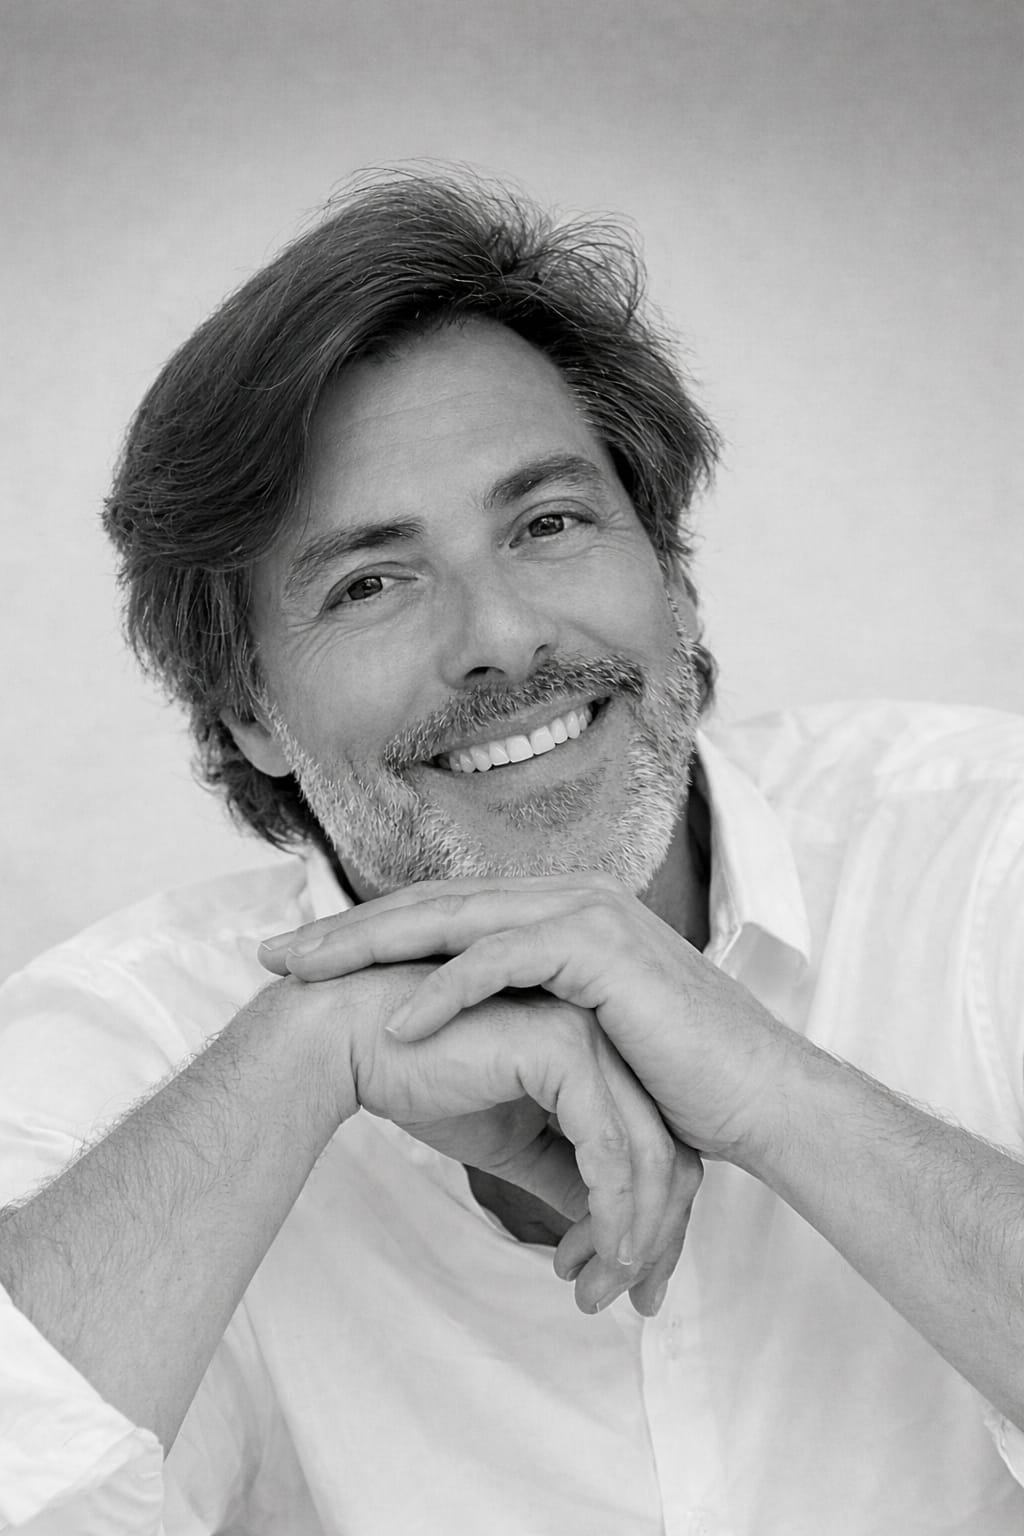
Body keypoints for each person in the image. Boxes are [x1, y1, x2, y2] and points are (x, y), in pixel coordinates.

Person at [1, 169, 1023, 1536]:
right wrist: (311, 1056)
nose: (501, 636)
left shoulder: (984, 851)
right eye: (371, 581)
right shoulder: (126, 1050)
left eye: (547, 524)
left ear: (668, 566)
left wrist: (785, 1097)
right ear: (247, 707)